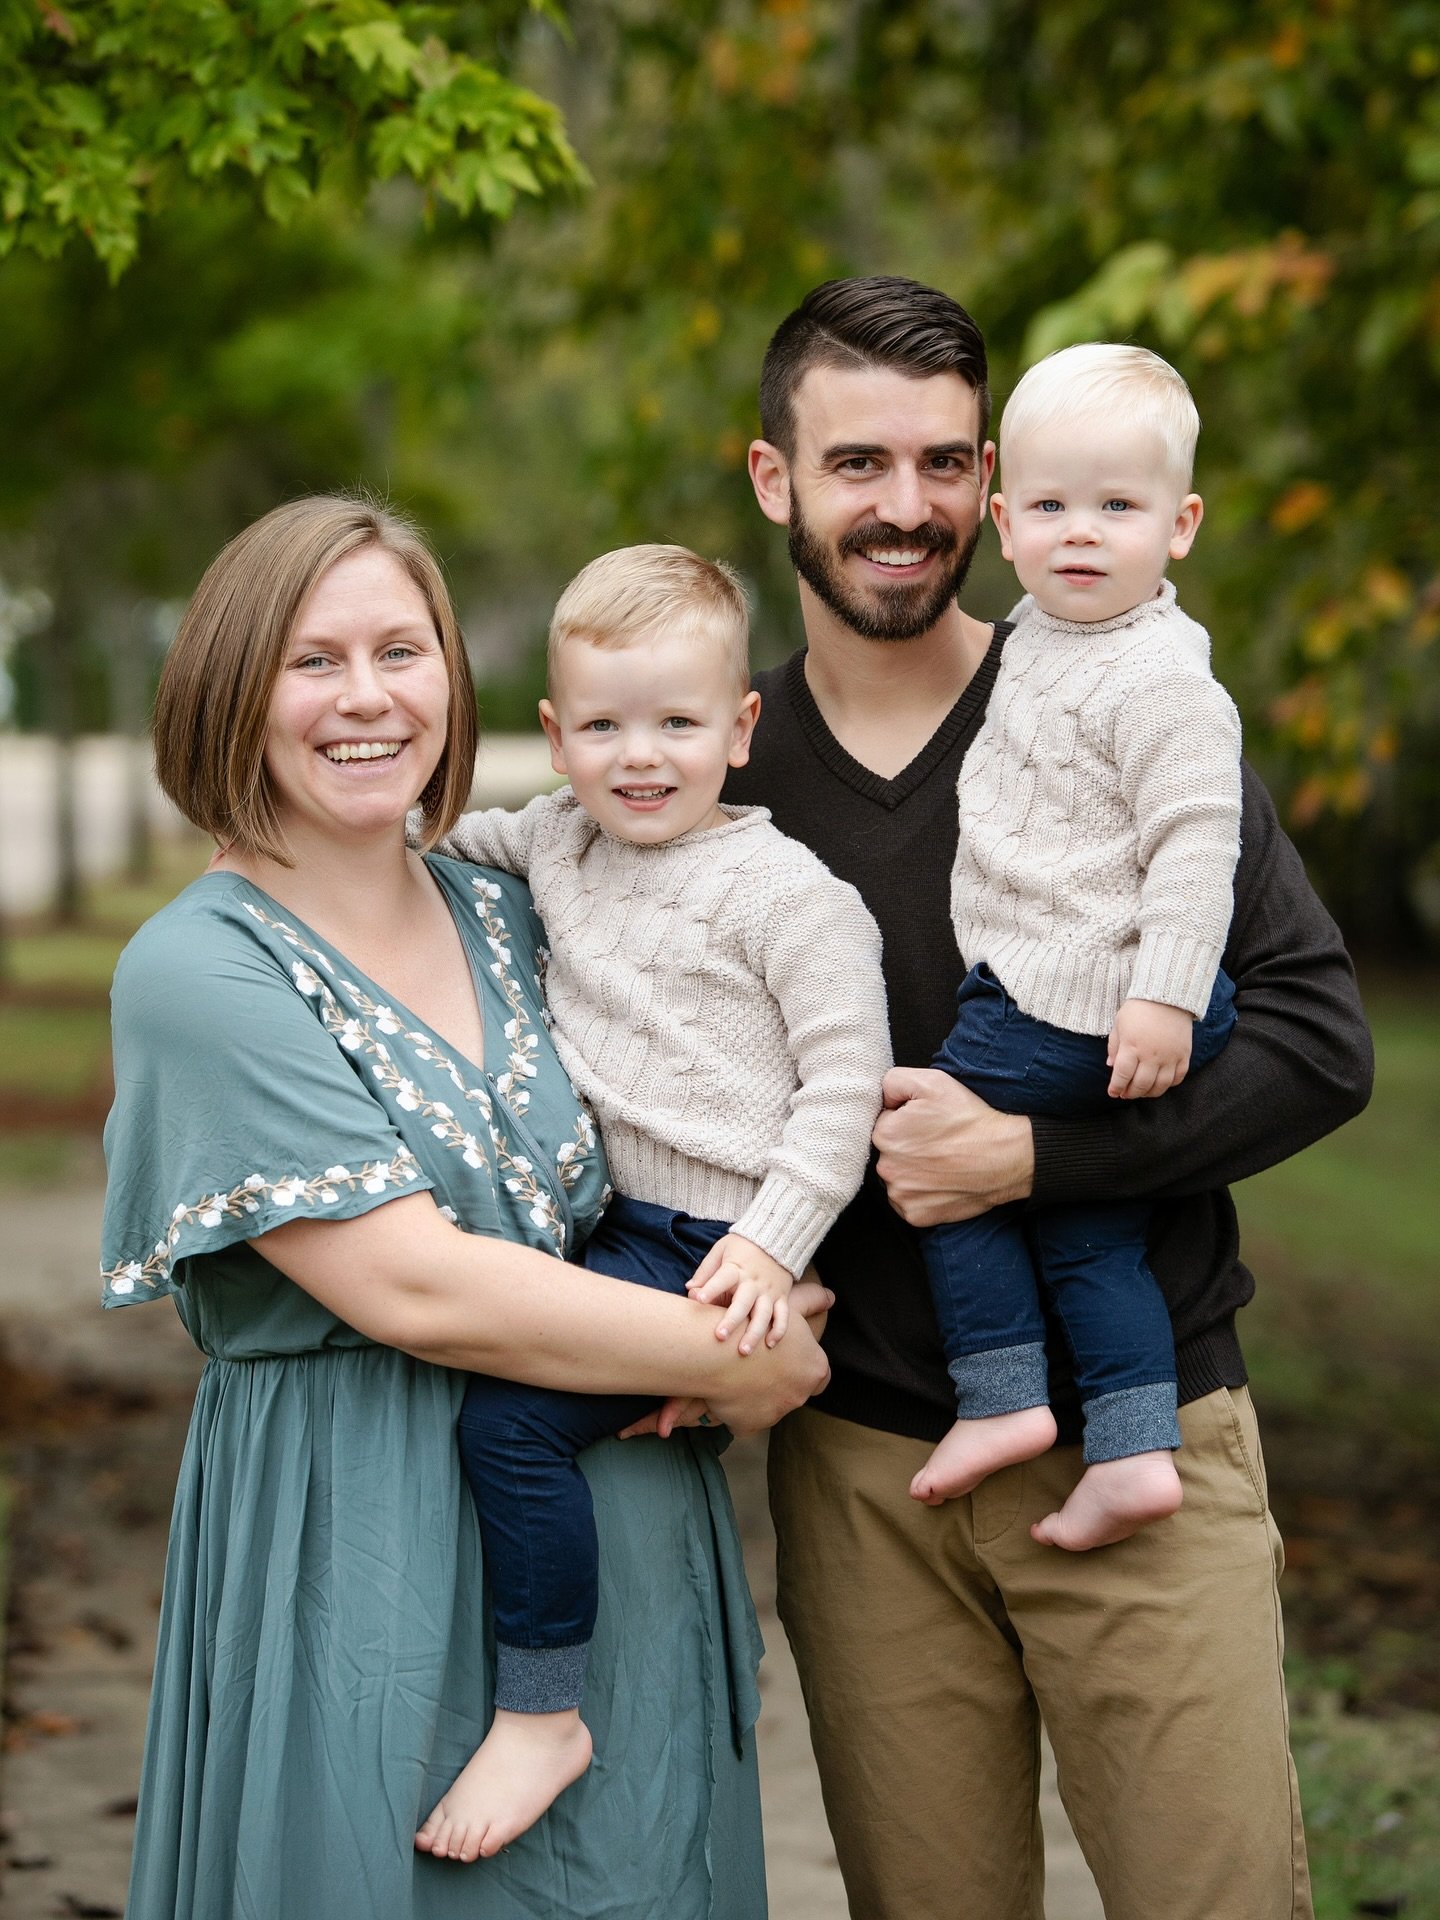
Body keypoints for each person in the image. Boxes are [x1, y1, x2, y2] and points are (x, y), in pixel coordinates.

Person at [724, 277, 1373, 1920]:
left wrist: (1034, 1153)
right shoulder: (717, 769)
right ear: (771, 478)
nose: (906, 507)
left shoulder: (1111, 698)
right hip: (871, 1470)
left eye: (944, 463)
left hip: (1135, 1431)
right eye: (857, 462)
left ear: (989, 487)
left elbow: (1314, 1034)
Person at [101, 495, 828, 1920]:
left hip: (619, 1562)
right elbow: (414, 1287)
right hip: (359, 1549)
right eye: (312, 662)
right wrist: (759, 1354)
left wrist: (788, 1264)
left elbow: (712, 1117)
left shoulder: (521, 910)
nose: (366, 698)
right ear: (230, 693)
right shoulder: (202, 971)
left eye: (402, 649)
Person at [412, 542, 889, 1861]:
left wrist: (769, 1246)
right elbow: (429, 846)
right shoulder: (556, 839)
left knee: (508, 1425)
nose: (640, 757)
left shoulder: (790, 897)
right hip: (615, 1230)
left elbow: (843, 1094)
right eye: (605, 726)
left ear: (740, 730)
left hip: (716, 1240)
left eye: (677, 723)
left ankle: (543, 1711)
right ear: (555, 736)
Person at [912, 343, 1244, 1550]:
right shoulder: (1040, 636)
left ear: (1183, 523)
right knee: (1088, 1229)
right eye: (1051, 507)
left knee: (940, 1162)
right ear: (1003, 521)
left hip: (1083, 993)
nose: (1082, 534)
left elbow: (1197, 848)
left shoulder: (1164, 678)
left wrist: (1159, 999)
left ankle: (1000, 1399)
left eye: (1119, 507)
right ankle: (1133, 1446)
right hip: (1075, 990)